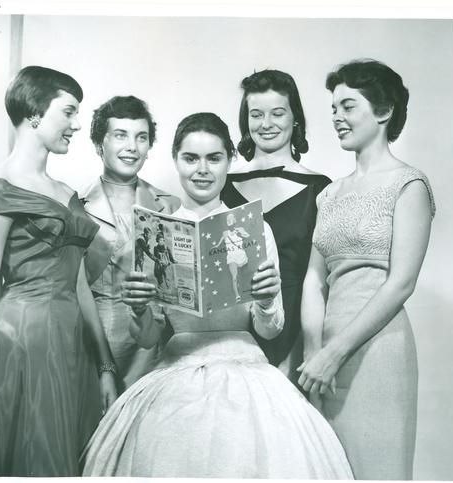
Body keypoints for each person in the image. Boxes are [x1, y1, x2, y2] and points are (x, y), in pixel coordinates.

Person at [82, 112, 353, 479]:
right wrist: (140, 309)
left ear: (229, 160)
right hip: (174, 370)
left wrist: (266, 299)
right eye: (190, 158)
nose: (202, 170)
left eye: (214, 158)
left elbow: (270, 329)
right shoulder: (154, 233)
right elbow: (146, 339)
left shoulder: (255, 229)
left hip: (248, 369)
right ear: (176, 160)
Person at [0, 66, 117, 476]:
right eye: (68, 112)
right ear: (34, 113)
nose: (77, 124)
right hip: (21, 346)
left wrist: (105, 367)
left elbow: (80, 286)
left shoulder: (66, 193)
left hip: (71, 350)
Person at [298, 59, 435, 480]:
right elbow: (314, 279)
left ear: (384, 111)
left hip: (378, 352)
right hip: (322, 359)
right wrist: (313, 352)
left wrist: (335, 353)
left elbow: (401, 283)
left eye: (348, 106)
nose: (336, 117)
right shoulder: (330, 194)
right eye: (333, 108)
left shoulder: (408, 184)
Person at [221, 69, 331, 384]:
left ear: (295, 118)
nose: (266, 123)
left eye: (277, 113)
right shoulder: (222, 184)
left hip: (295, 338)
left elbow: (320, 283)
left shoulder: (320, 188)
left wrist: (298, 357)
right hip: (233, 341)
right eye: (256, 114)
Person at [81, 96, 181, 391]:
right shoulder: (76, 208)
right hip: (96, 344)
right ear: (99, 143)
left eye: (141, 137)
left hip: (155, 347)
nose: (132, 147)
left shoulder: (170, 206)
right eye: (120, 135)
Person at [214, 213, 250, 301]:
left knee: (242, 277)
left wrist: (240, 233)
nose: (229, 221)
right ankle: (237, 296)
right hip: (231, 257)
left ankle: (243, 291)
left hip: (241, 256)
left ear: (234, 220)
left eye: (230, 219)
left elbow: (247, 236)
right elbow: (219, 243)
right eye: (227, 220)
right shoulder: (225, 233)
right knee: (234, 277)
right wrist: (216, 246)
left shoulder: (240, 229)